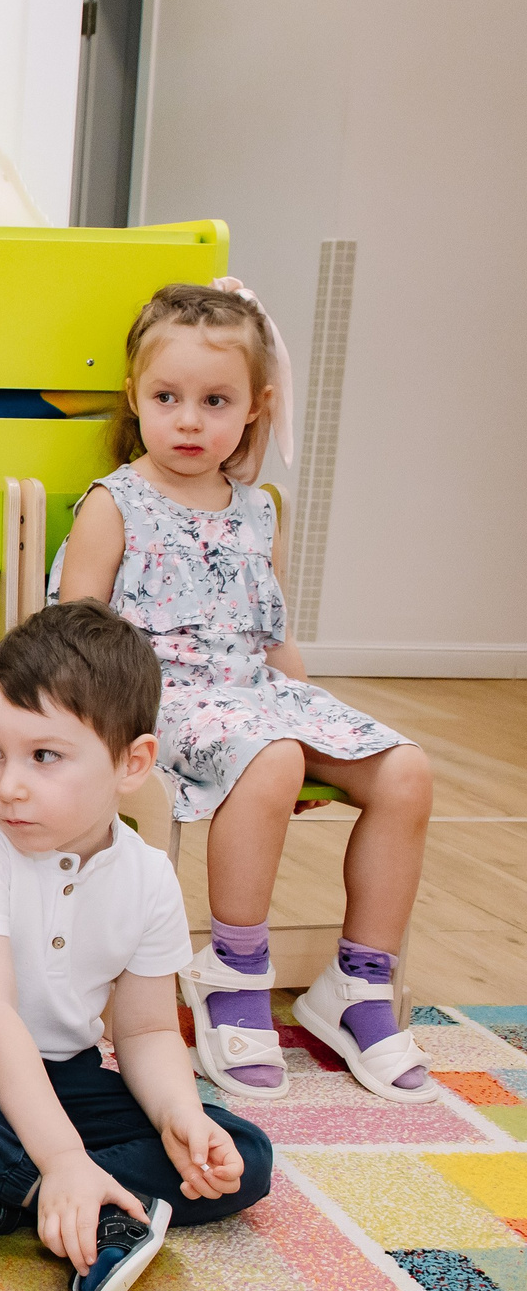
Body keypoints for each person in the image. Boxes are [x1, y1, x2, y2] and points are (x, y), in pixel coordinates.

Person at [56, 282, 434, 1104]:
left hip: (255, 693)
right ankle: (233, 971)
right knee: (270, 758)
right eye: (168, 397)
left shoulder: (257, 508)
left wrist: (306, 714)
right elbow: (79, 633)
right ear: (136, 398)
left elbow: (274, 632)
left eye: (215, 400)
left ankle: (359, 983)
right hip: (160, 696)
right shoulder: (116, 505)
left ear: (255, 407)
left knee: (406, 770)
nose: (189, 419)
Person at [0, 599, 273, 1291]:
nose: (8, 784)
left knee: (240, 1156)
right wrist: (62, 1159)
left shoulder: (148, 874)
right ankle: (53, 1190)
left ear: (132, 763)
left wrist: (182, 1115)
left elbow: (148, 1033)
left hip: (60, 1078)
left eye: (45, 756)